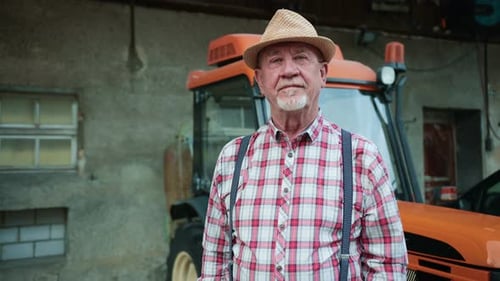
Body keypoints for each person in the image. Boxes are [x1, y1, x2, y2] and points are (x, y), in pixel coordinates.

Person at [198, 8, 408, 280]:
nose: (288, 71)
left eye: (300, 57)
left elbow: (388, 265)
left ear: (322, 74)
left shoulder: (362, 158)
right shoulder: (231, 158)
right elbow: (215, 262)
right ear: (261, 81)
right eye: (275, 61)